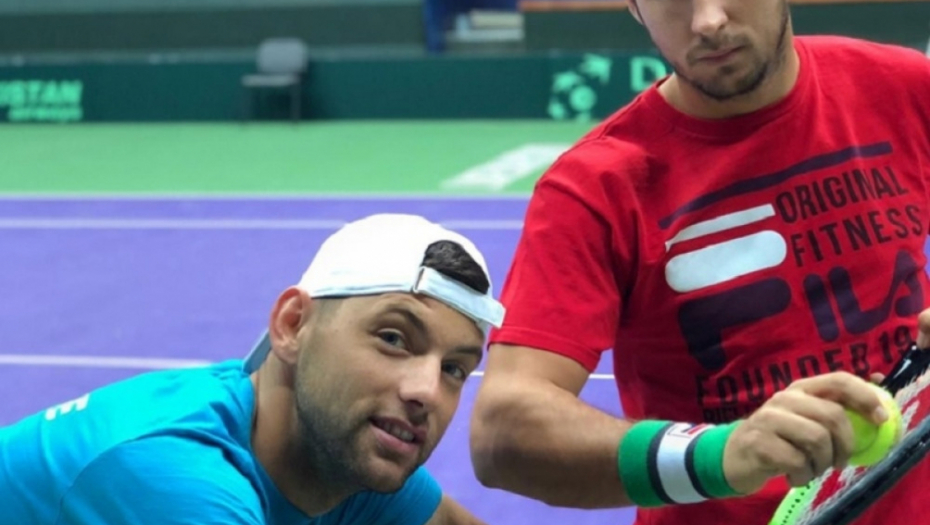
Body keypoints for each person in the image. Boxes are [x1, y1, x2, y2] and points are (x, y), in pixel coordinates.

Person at [468, 0, 930, 524]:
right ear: (635, 8)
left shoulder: (902, 88)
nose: (708, 21)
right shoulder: (594, 187)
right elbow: (503, 431)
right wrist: (723, 454)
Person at [0, 213, 505, 525]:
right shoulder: (178, 479)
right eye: (392, 338)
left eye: (454, 369)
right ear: (292, 325)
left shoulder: (340, 456)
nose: (427, 392)